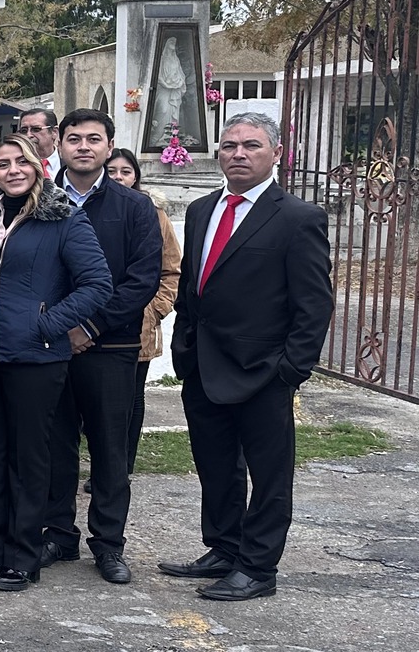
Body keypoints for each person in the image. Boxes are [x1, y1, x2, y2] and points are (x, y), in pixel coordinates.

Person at [161, 114, 334, 601]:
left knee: (269, 475)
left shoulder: (298, 218)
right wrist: (185, 347)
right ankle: (224, 546)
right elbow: (194, 287)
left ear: (275, 154)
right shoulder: (200, 210)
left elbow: (314, 303)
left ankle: (258, 567)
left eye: (251, 145)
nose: (239, 153)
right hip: (204, 366)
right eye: (230, 145)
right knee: (215, 465)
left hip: (264, 373)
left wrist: (290, 370)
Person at [0, 138, 112, 592]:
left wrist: (47, 324)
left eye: (22, 161)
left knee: (28, 458)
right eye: (3, 163)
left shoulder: (62, 219)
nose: (12, 170)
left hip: (37, 358)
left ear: (39, 167)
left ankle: (22, 556)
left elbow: (97, 283)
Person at [42, 110, 163, 583]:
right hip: (49, 345)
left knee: (111, 451)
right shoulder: (40, 199)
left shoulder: (135, 207)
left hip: (111, 347)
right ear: (60, 145)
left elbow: (142, 279)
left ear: (110, 146)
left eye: (94, 139)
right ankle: (57, 534)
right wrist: (56, 327)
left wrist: (88, 326)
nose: (84, 146)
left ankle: (109, 544)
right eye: (74, 138)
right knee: (55, 446)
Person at [105, 148, 183, 466]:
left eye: (125, 171)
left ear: (136, 176)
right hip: (95, 322)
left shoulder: (154, 214)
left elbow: (171, 269)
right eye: (112, 171)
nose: (119, 177)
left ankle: (122, 465)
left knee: (132, 396)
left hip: (140, 323)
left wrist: (155, 309)